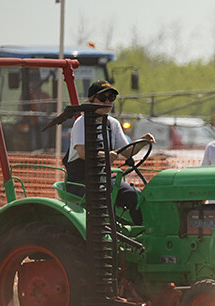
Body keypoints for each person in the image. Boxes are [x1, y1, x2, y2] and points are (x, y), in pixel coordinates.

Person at [64, 80, 154, 225]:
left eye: (111, 98)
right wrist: (104, 156)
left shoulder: (113, 124)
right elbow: (82, 152)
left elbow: (128, 152)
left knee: (136, 196)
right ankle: (106, 233)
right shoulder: (81, 122)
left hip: (104, 179)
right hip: (81, 181)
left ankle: (141, 234)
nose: (107, 101)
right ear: (91, 100)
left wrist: (142, 142)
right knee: (103, 195)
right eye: (102, 98)